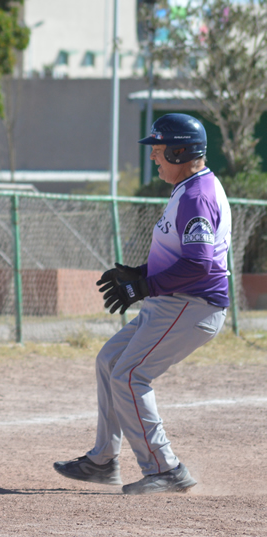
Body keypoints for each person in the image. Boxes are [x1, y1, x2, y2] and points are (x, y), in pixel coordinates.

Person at [53, 113, 230, 495]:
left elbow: (199, 264)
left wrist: (143, 287)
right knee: (110, 361)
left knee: (130, 376)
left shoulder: (197, 196)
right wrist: (140, 273)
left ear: (182, 150)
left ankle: (166, 469)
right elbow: (182, 254)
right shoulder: (188, 188)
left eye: (160, 149)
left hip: (192, 305)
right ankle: (102, 461)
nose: (154, 157)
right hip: (174, 302)